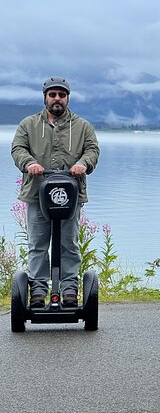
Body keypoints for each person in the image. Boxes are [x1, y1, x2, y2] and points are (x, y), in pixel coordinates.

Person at [11, 76, 100, 309]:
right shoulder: (28, 124)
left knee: (69, 243)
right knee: (38, 244)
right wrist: (29, 163)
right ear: (45, 98)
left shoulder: (82, 126)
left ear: (68, 98)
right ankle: (38, 289)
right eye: (53, 95)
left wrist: (83, 164)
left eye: (61, 95)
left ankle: (70, 288)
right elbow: (17, 148)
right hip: (36, 193)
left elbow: (92, 149)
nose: (57, 99)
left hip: (70, 196)